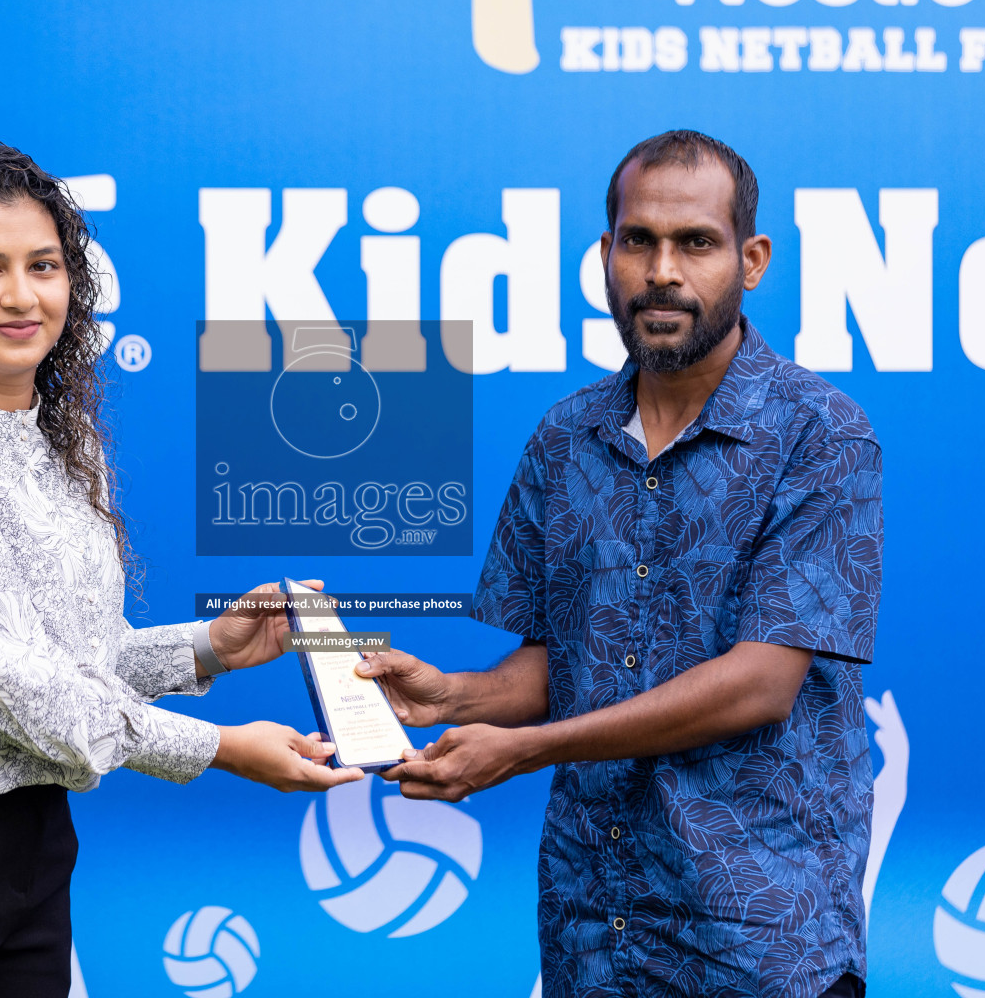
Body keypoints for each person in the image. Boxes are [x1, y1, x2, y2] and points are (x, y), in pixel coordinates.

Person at [0, 138, 361, 998]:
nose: (21, 296)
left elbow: (63, 660)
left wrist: (210, 648)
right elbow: (9, 683)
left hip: (27, 844)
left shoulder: (56, 435)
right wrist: (220, 748)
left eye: (43, 266)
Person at [357, 130, 882, 998]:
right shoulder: (565, 438)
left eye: (696, 243)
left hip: (758, 948)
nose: (662, 270)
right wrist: (451, 696)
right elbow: (561, 663)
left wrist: (523, 750)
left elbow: (761, 682)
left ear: (750, 260)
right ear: (606, 254)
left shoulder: (822, 436)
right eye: (638, 241)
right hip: (594, 938)